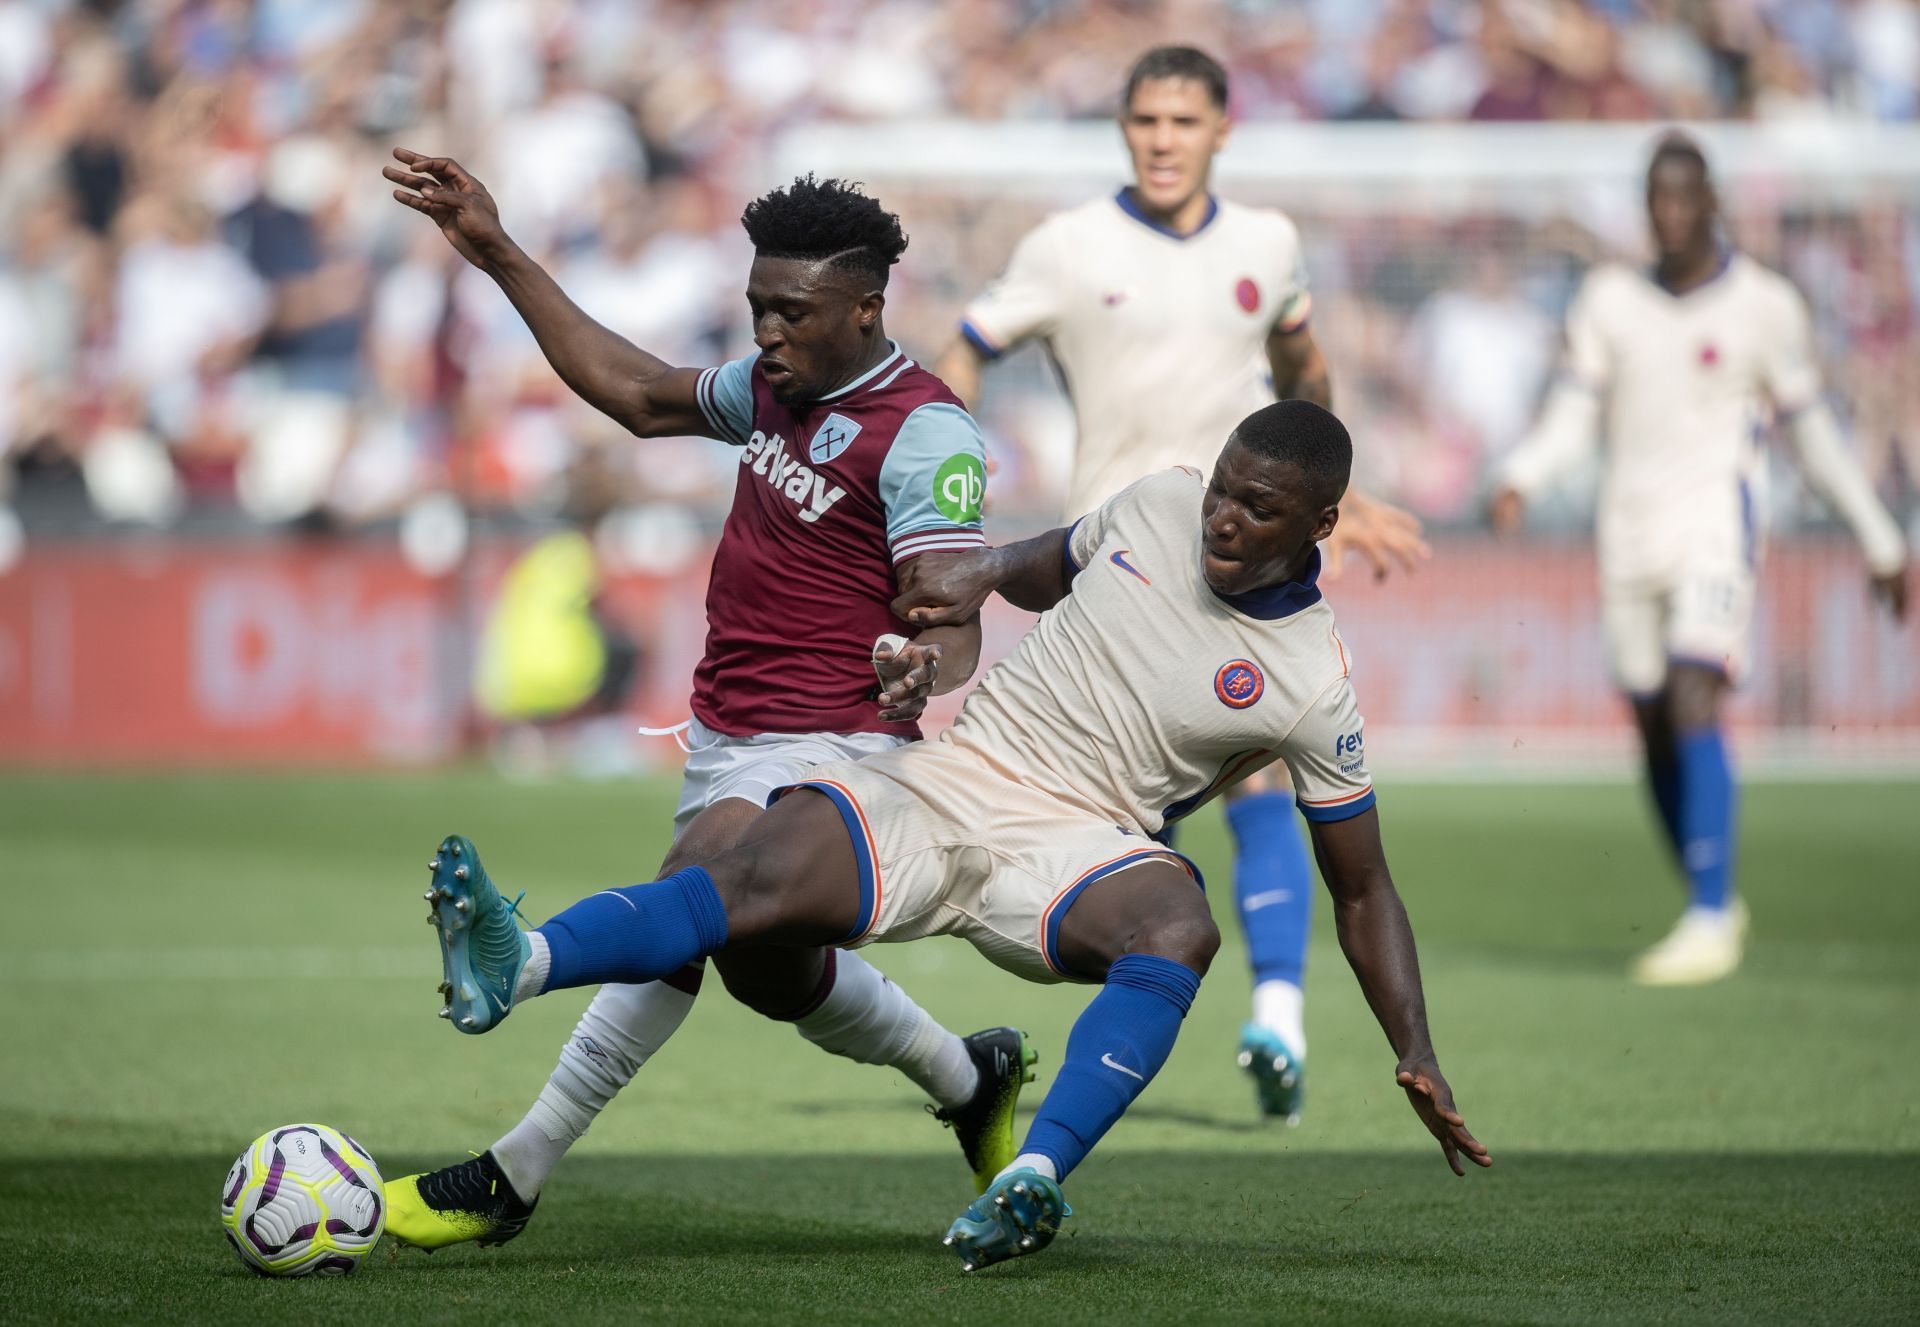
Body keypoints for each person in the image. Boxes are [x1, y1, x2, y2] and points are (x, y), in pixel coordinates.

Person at [420, 401, 1491, 1272]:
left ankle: (1035, 1172)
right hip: (956, 774)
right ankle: (522, 963)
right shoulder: (1159, 504)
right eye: (1221, 489)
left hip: (1080, 844)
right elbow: (1053, 559)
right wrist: (976, 576)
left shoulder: (1313, 680)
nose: (1222, 519)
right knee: (745, 872)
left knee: (1178, 921)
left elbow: (1363, 889)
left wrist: (1417, 1049)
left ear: (1320, 524)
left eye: (1258, 509)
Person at [379, 155, 1036, 1247]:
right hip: (731, 731)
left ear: (867, 308)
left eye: (793, 312)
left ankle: (519, 1067)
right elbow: (637, 393)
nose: (768, 332)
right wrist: (494, 248)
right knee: (770, 975)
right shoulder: (778, 387)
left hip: (840, 746)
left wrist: (925, 664)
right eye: (757, 309)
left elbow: (952, 614)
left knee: (694, 891)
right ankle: (973, 1080)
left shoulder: (925, 433)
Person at [935, 46, 1428, 1122]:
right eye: (1145, 119)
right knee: (1124, 827)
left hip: (1247, 561)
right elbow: (966, 347)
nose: (1163, 138)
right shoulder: (1067, 246)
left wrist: (1350, 482)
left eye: (1183, 121)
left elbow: (1303, 373)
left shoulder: (1268, 243)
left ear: (1221, 132)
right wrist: (955, 465)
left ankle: (1278, 1019)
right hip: (1124, 561)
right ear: (1123, 128)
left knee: (1261, 773)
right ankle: (1097, 1020)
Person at [1491, 132, 1910, 986]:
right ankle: (1707, 888)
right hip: (1628, 533)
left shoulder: (1766, 305)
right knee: (1651, 724)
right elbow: (1574, 413)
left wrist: (1880, 534)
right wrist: (1522, 475)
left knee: (1693, 692)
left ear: (1713, 204)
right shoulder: (1609, 299)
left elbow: (1815, 434)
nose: (1672, 215)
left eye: (1687, 199)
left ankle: (1710, 915)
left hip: (1716, 529)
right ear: (1645, 210)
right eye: (1658, 201)